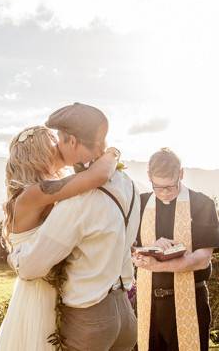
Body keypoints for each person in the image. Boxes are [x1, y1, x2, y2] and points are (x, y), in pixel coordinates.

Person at [9, 102, 140, 351]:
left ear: (71, 141)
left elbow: (30, 266)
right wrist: (111, 153)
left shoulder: (77, 200)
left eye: (59, 139)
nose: (57, 146)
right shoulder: (128, 183)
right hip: (125, 314)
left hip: (90, 320)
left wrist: (13, 258)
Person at [132, 148, 219, 351]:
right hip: (148, 302)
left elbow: (202, 259)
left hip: (190, 300)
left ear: (180, 174)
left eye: (170, 186)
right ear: (148, 177)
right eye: (158, 187)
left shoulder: (202, 204)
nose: (164, 192)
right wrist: (148, 249)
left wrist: (158, 267)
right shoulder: (140, 204)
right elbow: (129, 249)